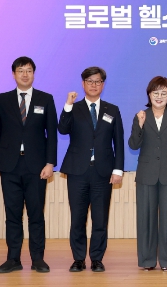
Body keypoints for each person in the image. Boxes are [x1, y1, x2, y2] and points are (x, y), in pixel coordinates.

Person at [0, 56, 57, 273]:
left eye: (29, 70)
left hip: (37, 167)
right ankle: (13, 259)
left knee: (36, 215)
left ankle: (37, 259)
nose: (25, 74)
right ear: (13, 74)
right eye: (20, 70)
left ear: (33, 74)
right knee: (13, 216)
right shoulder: (2, 99)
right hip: (9, 166)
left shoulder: (45, 99)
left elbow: (51, 134)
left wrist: (50, 162)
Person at [58, 67, 124, 273]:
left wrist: (118, 170)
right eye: (90, 81)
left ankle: (96, 258)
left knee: (100, 219)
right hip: (78, 171)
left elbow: (118, 142)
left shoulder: (112, 110)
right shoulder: (74, 108)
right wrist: (67, 105)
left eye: (98, 81)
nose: (94, 85)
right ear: (83, 84)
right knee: (77, 218)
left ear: (103, 84)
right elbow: (62, 129)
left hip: (103, 172)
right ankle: (78, 259)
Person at [129, 76, 167, 271]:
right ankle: (147, 261)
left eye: (164, 93)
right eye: (156, 93)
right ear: (149, 94)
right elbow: (133, 145)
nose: (159, 96)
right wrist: (140, 125)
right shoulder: (141, 116)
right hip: (146, 175)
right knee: (145, 219)